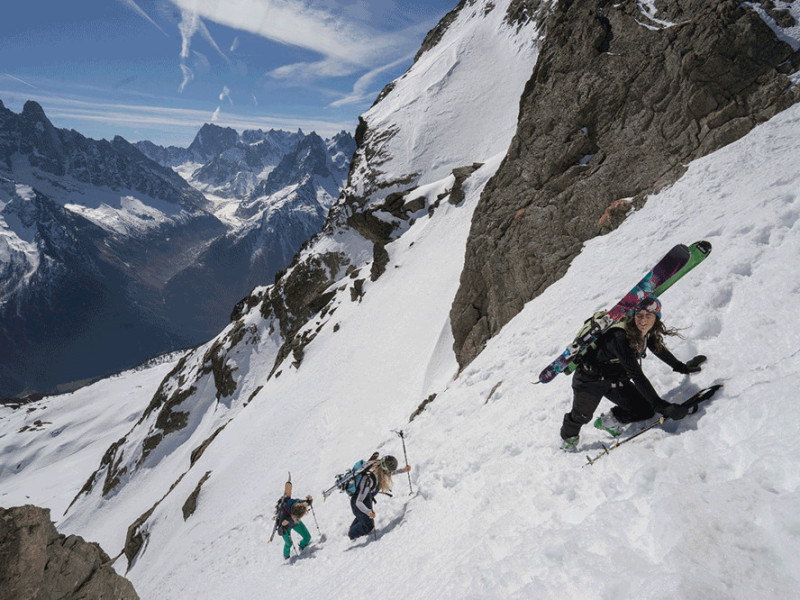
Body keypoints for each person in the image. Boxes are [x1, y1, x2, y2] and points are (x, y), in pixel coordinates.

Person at [560, 297, 705, 452]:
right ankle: (568, 439)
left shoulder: (644, 332)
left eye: (648, 316)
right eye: (639, 315)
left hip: (615, 379)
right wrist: (662, 406)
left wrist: (681, 367)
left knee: (645, 410)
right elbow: (637, 375)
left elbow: (658, 348)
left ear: (656, 318)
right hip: (589, 380)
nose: (643, 320)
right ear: (633, 315)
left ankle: (609, 421)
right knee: (581, 416)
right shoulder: (619, 336)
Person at [348, 455, 411, 540]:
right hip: (359, 504)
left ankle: (353, 530)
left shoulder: (378, 470)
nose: (389, 474)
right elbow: (358, 502)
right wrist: (368, 512)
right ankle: (352, 537)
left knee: (363, 519)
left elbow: (388, 473)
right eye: (389, 472)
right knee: (368, 526)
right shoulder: (369, 480)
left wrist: (402, 470)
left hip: (365, 501)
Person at [277, 478, 313, 559]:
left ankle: (302, 546)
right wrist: (283, 524)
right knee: (288, 544)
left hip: (294, 523)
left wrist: (310, 500)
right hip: (286, 526)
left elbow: (306, 503)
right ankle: (286, 556)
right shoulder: (284, 511)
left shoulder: (298, 503)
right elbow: (280, 532)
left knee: (307, 537)